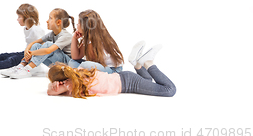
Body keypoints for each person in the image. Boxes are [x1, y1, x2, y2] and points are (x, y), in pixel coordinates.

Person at [47, 42, 176, 98]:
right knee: (147, 80)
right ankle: (137, 64)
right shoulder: (79, 72)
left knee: (169, 90)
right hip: (125, 78)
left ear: (63, 81)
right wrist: (59, 83)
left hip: (128, 83)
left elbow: (50, 92)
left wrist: (59, 86)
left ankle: (148, 63)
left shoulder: (73, 84)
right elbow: (53, 90)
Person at [9, 8, 75, 79]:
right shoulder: (52, 34)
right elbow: (34, 42)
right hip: (58, 63)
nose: (47, 21)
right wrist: (27, 50)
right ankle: (21, 66)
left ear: (58, 22)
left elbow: (48, 50)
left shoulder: (65, 35)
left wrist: (31, 53)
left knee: (48, 45)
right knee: (36, 45)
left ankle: (27, 69)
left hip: (69, 65)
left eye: (50, 18)